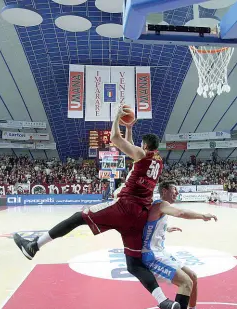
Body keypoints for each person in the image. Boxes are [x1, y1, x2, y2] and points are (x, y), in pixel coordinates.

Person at [13, 107, 180, 309]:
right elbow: (132, 147)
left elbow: (116, 140)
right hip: (139, 216)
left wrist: (117, 118)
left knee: (77, 217)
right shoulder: (158, 161)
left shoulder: (141, 155)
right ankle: (164, 302)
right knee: (134, 265)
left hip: (124, 207)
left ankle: (34, 246)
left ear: (145, 146)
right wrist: (129, 129)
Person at [142, 180, 218, 309]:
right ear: (164, 191)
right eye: (174, 189)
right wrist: (202, 215)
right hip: (152, 255)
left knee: (193, 277)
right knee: (186, 283)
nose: (177, 192)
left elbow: (149, 225)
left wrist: (166, 229)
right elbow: (180, 213)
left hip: (161, 252)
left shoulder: (160, 208)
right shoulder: (161, 204)